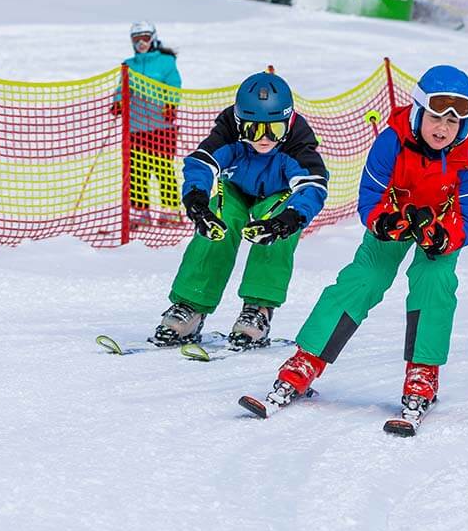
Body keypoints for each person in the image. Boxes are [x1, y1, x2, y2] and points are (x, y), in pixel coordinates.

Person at [241, 65, 468, 429]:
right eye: (435, 117)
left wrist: (444, 237)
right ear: (419, 111)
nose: (443, 129)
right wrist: (383, 222)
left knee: (434, 281)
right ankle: (307, 359)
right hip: (395, 218)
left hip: (439, 227)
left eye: (453, 123)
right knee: (363, 279)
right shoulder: (391, 141)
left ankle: (423, 371)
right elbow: (370, 195)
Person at [151, 72, 329, 350]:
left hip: (276, 195)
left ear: (288, 122)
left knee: (273, 230)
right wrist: (196, 200)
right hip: (235, 189)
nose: (264, 139)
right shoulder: (228, 130)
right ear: (239, 123)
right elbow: (202, 162)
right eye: (254, 130)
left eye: (275, 130)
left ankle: (257, 310)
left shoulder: (297, 139)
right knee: (219, 221)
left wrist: (291, 219)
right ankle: (191, 306)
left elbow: (313, 184)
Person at [120, 21, 183, 225]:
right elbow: (122, 88)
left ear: (153, 38)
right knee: (138, 171)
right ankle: (141, 212)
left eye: (145, 38)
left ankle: (170, 210)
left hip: (161, 126)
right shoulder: (129, 64)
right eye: (136, 39)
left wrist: (171, 105)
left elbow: (174, 85)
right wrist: (117, 103)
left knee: (162, 168)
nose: (141, 43)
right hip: (136, 127)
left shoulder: (166, 62)